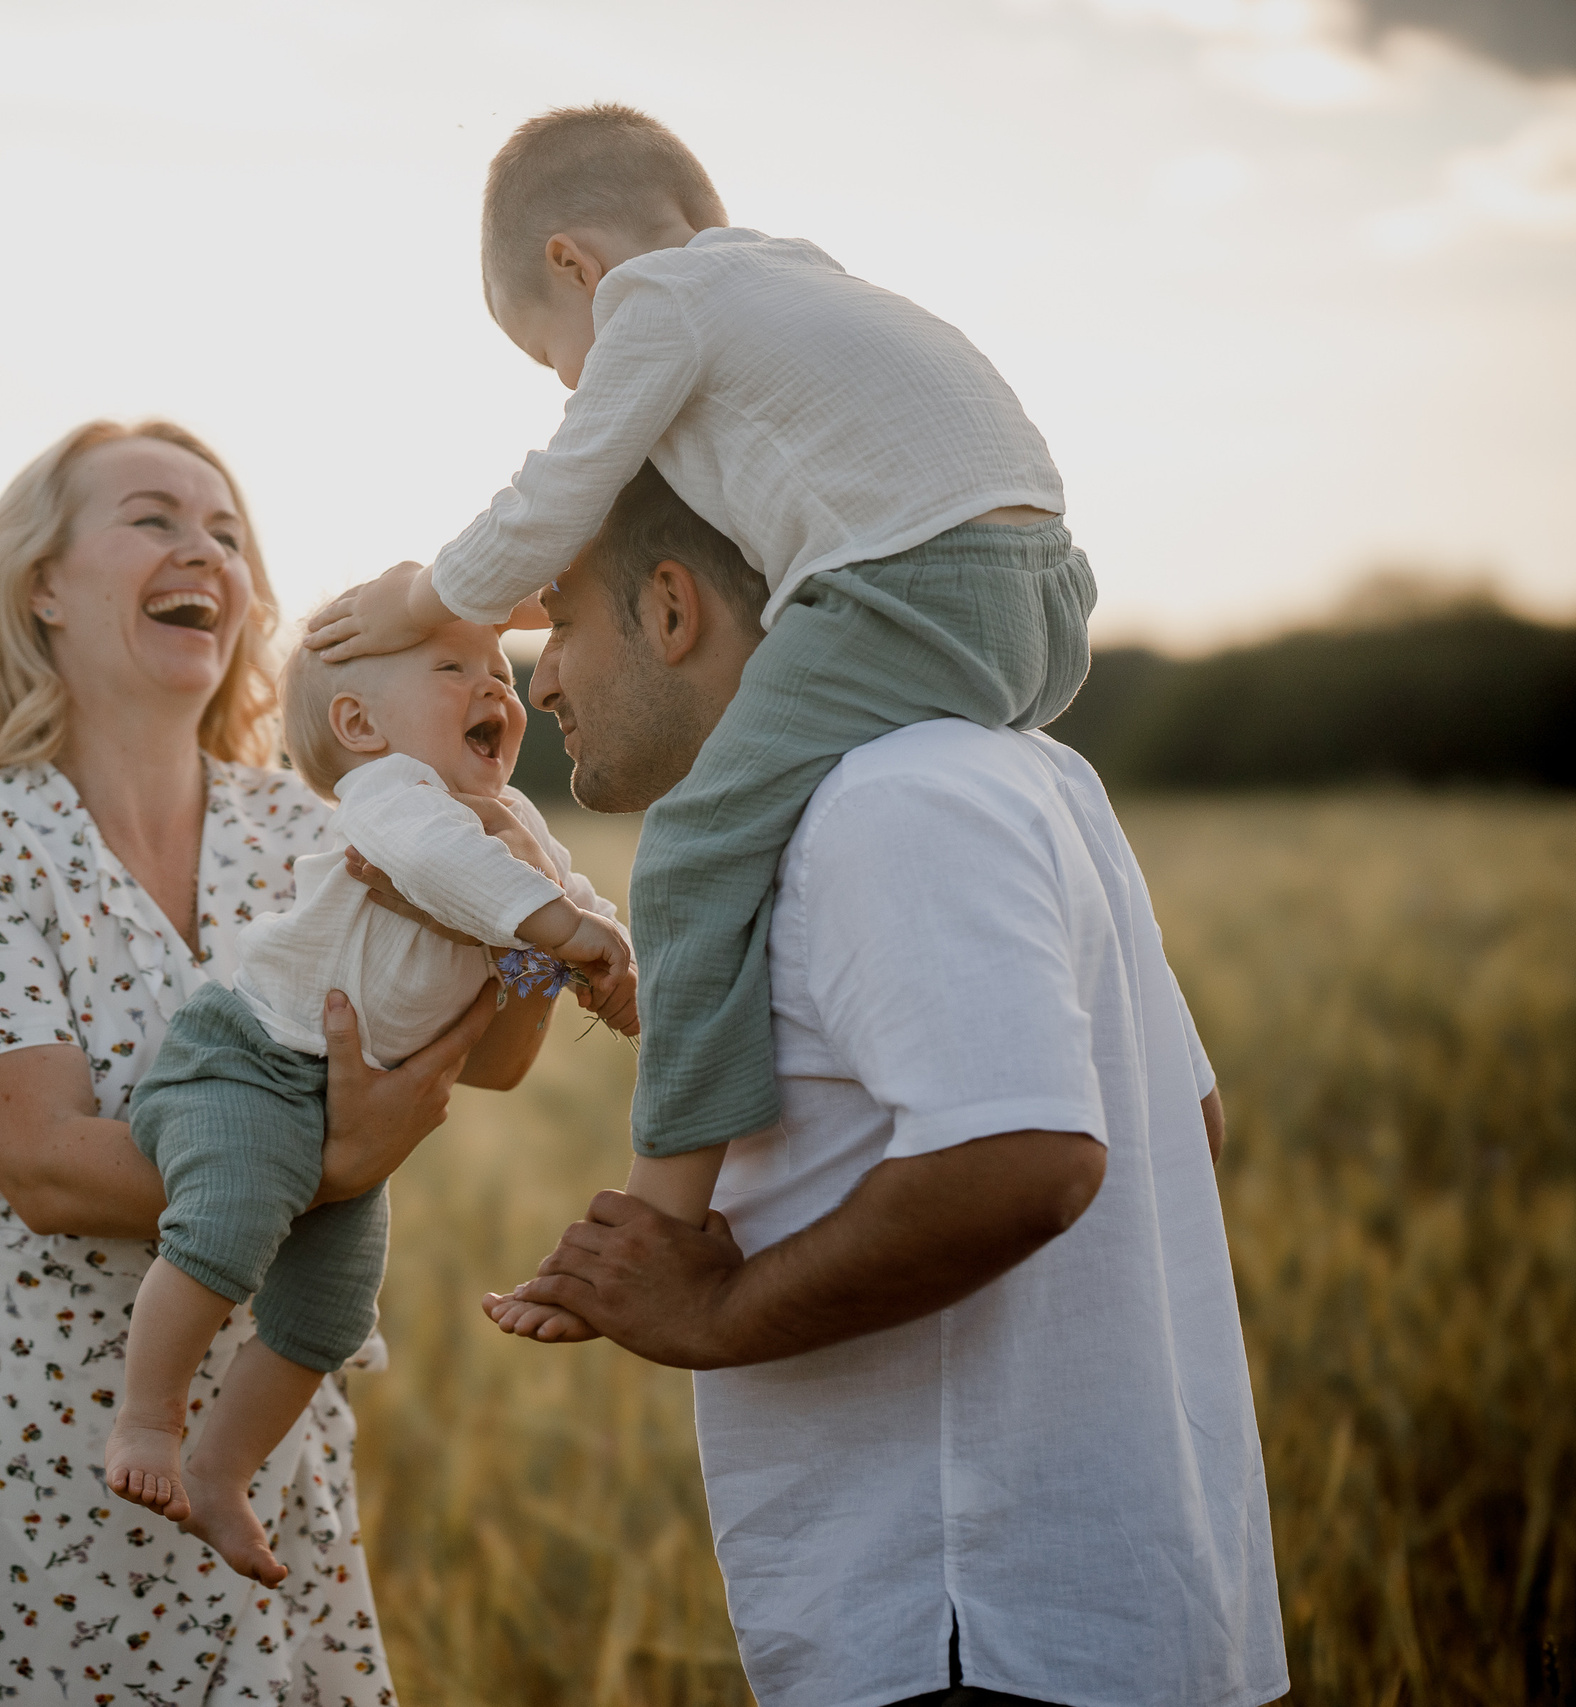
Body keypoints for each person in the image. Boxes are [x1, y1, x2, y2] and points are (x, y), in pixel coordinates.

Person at [0, 420, 549, 1707]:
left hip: (244, 1453)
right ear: (41, 588)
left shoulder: (304, 820)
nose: (204, 553)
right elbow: (50, 1166)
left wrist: (513, 875)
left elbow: (494, 1059)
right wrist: (341, 1159)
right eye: (154, 519)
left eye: (227, 533)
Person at [482, 465, 1286, 1706]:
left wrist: (718, 1314)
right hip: (1078, 1605)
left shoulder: (884, 802)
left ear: (672, 607)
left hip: (973, 1609)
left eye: (561, 622)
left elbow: (1027, 1158)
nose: (539, 679)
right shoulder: (1033, 775)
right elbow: (1183, 1126)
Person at [305, 102, 1093, 1221]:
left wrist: (427, 595)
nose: (573, 388)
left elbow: (559, 490)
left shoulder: (655, 302)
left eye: (550, 356)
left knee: (692, 848)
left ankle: (663, 1207)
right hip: (1046, 595)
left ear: (572, 266)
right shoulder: (798, 285)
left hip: (909, 587)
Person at [105, 609, 636, 1583]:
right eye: (452, 668)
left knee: (332, 1315)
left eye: (497, 670)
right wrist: (560, 930)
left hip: (335, 1096)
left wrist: (603, 959)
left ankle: (221, 1468)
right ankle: (147, 1421)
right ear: (359, 725)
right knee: (223, 1225)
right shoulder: (391, 794)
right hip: (249, 1059)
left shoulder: (508, 818)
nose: (496, 686)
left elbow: (549, 917)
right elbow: (454, 872)